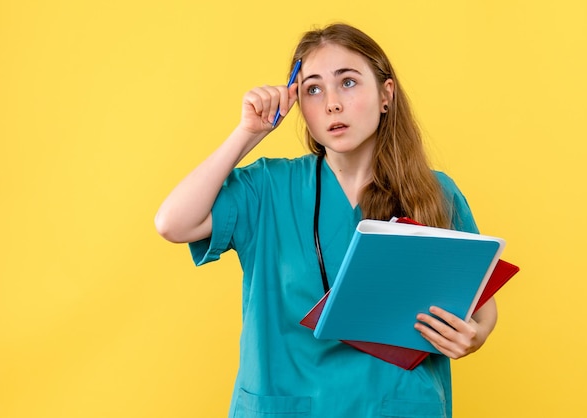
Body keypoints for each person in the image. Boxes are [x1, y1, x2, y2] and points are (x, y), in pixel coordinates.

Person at [155, 23, 497, 418]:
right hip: (286, 406)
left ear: (386, 95)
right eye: (313, 90)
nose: (332, 103)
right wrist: (247, 133)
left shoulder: (436, 192)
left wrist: (475, 336)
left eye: (348, 82)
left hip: (397, 406)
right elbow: (173, 224)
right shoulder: (267, 187)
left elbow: (483, 305)